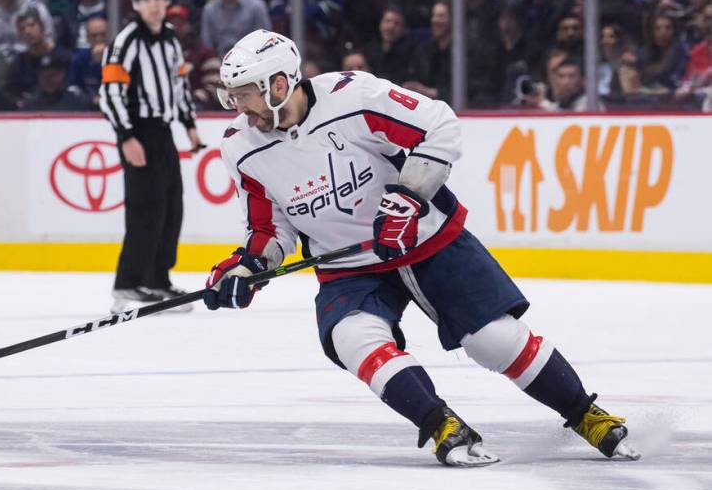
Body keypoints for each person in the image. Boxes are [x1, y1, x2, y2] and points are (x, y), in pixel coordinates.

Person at [204, 29, 640, 466]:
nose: (238, 108)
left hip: (427, 238)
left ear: (278, 84)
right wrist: (247, 267)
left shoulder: (354, 97)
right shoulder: (241, 147)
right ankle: (440, 424)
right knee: (352, 337)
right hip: (351, 267)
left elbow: (439, 126)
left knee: (493, 340)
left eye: (244, 95)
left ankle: (586, 414)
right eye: (232, 97)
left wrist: (408, 198)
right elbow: (268, 227)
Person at [99, 0, 202, 313]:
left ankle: (157, 279)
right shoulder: (125, 42)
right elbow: (110, 93)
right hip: (138, 131)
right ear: (136, 3)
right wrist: (126, 136)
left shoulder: (171, 40)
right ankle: (128, 284)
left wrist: (188, 125)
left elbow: (179, 86)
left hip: (163, 131)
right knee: (145, 208)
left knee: (172, 206)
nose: (154, 4)